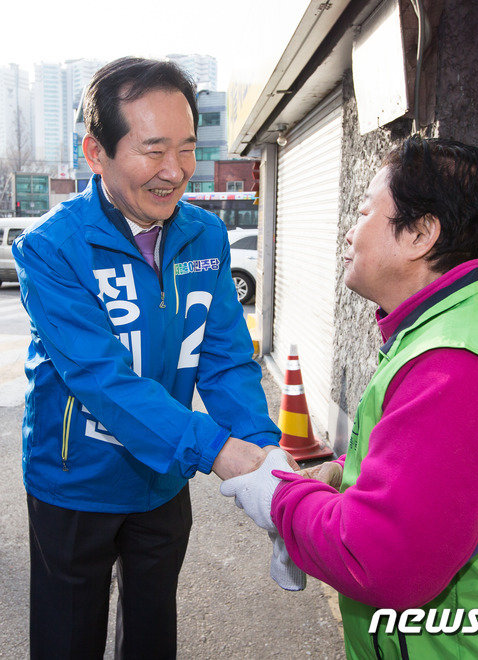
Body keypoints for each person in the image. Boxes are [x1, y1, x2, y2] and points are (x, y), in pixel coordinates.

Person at [221, 137, 478, 658]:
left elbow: (380, 558)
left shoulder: (456, 368)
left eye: (363, 213)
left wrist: (280, 499)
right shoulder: (453, 330)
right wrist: (344, 478)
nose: (348, 233)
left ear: (421, 234)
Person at [13, 57, 289, 660]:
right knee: (67, 642)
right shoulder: (52, 250)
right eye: (153, 150)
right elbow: (103, 382)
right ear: (96, 151)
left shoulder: (205, 237)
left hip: (162, 480)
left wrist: (265, 454)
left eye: (187, 149)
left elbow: (224, 359)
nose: (175, 172)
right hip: (73, 483)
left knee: (152, 634)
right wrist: (216, 449)